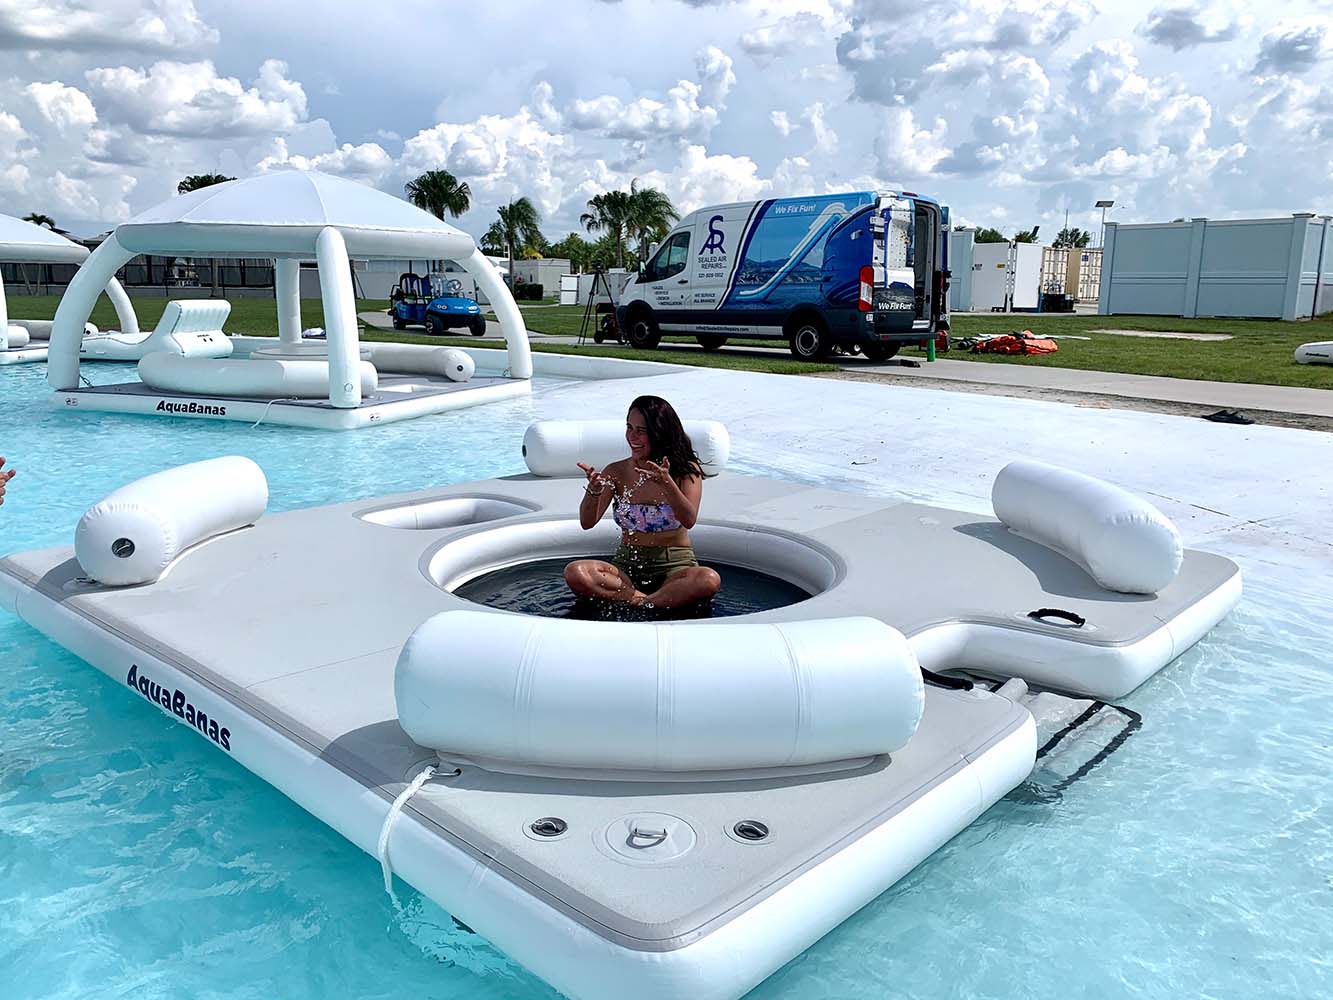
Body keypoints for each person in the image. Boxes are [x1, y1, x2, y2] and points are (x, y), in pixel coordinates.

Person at [564, 397, 721, 610]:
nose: (632, 436)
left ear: (659, 432)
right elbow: (587, 522)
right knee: (576, 572)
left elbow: (689, 519)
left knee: (708, 579)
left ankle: (637, 601)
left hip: (675, 565)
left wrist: (667, 484)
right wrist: (594, 491)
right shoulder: (616, 471)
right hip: (627, 565)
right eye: (629, 427)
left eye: (641, 430)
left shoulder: (686, 470)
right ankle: (648, 602)